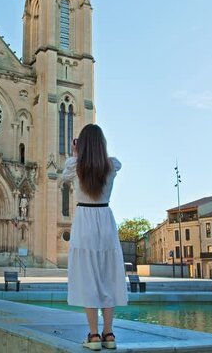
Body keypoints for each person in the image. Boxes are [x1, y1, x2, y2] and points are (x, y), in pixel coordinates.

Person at [62, 124, 128, 351]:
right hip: (105, 220)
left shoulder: (74, 166)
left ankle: (93, 336)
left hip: (84, 222)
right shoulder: (112, 165)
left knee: (88, 278)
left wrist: (76, 155)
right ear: (102, 144)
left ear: (81, 145)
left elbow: (64, 175)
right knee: (108, 277)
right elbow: (109, 163)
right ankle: (109, 334)